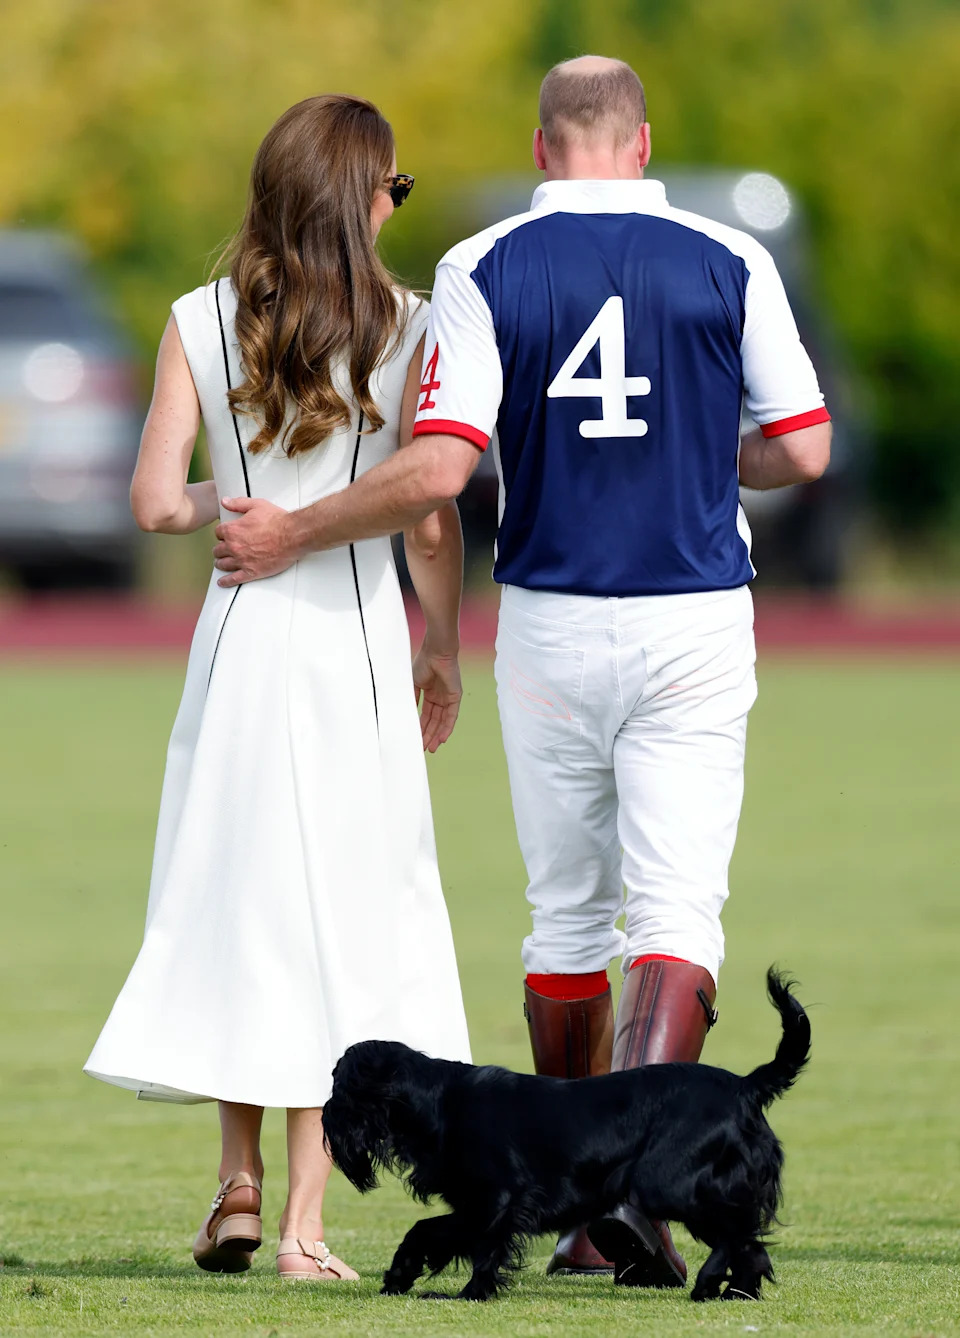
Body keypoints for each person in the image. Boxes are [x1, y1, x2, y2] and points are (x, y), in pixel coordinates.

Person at [210, 59, 831, 1286]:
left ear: (544, 150)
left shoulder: (483, 265)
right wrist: (709, 459)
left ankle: (585, 1218)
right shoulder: (732, 258)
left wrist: (291, 526)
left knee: (565, 918)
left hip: (549, 618)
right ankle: (635, 1199)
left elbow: (440, 473)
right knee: (674, 913)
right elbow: (805, 448)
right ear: (641, 143)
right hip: (696, 617)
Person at [84, 94, 471, 1283]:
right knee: (344, 918)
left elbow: (154, 504)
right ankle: (307, 1225)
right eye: (392, 187)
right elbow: (426, 507)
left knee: (239, 903)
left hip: (241, 643)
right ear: (359, 196)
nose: (393, 203)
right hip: (350, 639)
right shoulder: (409, 326)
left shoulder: (197, 318)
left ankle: (235, 1187)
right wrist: (442, 643)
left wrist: (226, 504)